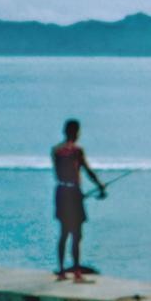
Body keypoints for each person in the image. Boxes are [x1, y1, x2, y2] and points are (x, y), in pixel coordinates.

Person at [52, 118, 105, 281]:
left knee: (63, 232)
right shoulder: (77, 150)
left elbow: (59, 171)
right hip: (73, 192)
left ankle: (62, 270)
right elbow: (87, 170)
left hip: (61, 191)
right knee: (76, 234)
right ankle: (76, 271)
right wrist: (100, 186)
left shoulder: (56, 150)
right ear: (76, 132)